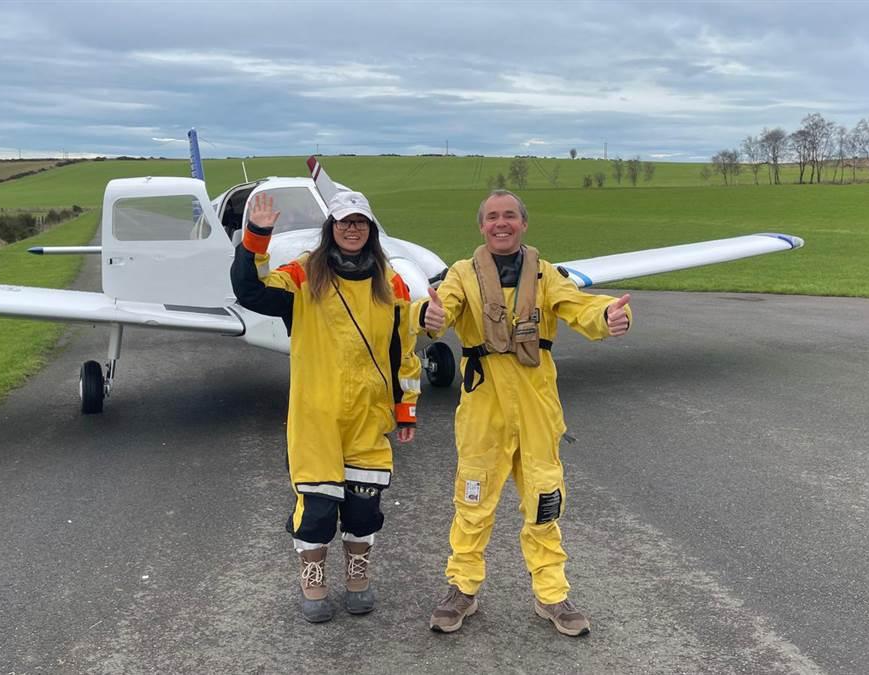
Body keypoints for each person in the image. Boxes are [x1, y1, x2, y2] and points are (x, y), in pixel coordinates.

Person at [419, 189, 631, 636]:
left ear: (523, 223)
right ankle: (463, 588)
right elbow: (442, 308)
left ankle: (551, 595)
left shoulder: (547, 274)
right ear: (481, 226)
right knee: (472, 502)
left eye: (510, 216)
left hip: (537, 407)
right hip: (484, 408)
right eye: (493, 216)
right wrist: (431, 316)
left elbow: (580, 307)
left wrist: (608, 316)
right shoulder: (461, 274)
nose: (501, 223)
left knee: (544, 502)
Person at [230, 189, 421, 623]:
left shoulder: (390, 283)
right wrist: (256, 237)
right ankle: (313, 579)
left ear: (370, 230)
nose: (351, 229)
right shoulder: (302, 274)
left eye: (359, 222)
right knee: (316, 506)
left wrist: (405, 407)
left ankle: (357, 577)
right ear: (331, 228)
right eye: (343, 222)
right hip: (315, 416)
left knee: (363, 505)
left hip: (368, 416)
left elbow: (402, 351)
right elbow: (251, 291)